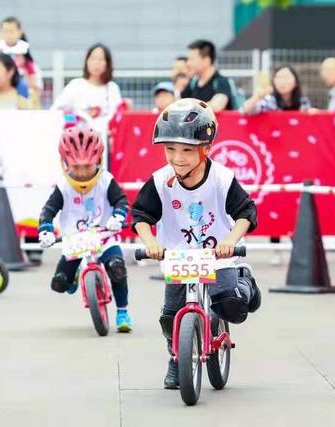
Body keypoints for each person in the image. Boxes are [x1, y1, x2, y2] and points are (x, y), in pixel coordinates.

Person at [131, 98, 262, 389]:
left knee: (230, 306)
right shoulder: (161, 180)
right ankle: (177, 359)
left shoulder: (221, 178)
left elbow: (246, 212)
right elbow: (141, 214)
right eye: (170, 149)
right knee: (170, 317)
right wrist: (150, 242)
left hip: (217, 255)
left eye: (187, 150)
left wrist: (230, 240)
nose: (178, 158)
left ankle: (245, 283)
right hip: (178, 257)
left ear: (206, 148)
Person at [38, 127, 133, 332]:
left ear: (98, 161)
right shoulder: (63, 186)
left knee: (117, 268)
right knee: (59, 283)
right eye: (76, 167)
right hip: (76, 240)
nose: (81, 173)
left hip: (104, 237)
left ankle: (123, 312)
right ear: (65, 164)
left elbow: (121, 201)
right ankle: (73, 276)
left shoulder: (105, 180)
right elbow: (48, 210)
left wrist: (118, 216)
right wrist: (45, 230)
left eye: (87, 166)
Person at [51, 44, 122, 132]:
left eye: (100, 59)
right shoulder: (76, 85)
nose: (96, 63)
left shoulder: (112, 88)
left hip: (104, 136)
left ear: (107, 63)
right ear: (87, 61)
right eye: (93, 58)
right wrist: (78, 118)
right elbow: (56, 111)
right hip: (78, 135)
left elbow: (117, 116)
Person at [0, 17, 41, 108]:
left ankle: (23, 105)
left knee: (23, 87)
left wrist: (33, 81)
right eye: (5, 32)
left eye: (11, 32)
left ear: (19, 33)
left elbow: (29, 65)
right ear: (0, 33)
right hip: (0, 79)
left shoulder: (22, 47)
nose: (9, 35)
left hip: (18, 77)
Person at [181, 40, 237, 112]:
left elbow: (217, 105)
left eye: (192, 59)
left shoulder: (222, 82)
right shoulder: (192, 84)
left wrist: (195, 107)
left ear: (206, 61)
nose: (188, 63)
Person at [243, 65, 310, 114]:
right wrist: (256, 97)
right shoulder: (269, 101)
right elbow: (246, 111)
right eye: (278, 77)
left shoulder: (303, 101)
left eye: (286, 77)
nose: (282, 81)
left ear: (296, 83)